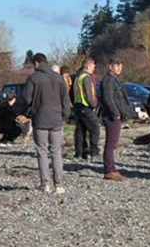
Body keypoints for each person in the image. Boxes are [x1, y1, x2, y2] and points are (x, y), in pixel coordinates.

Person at [24, 52, 70, 194]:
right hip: (57, 119)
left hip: (40, 118)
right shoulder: (60, 78)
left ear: (36, 63)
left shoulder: (33, 78)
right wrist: (65, 115)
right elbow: (65, 99)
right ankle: (59, 185)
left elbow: (26, 98)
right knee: (56, 151)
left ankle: (45, 184)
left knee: (42, 151)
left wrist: (33, 108)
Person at [100, 59, 136, 181]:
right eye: (117, 65)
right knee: (110, 144)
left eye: (121, 65)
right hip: (111, 117)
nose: (120, 68)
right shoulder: (109, 80)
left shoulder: (113, 79)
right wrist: (115, 114)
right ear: (110, 66)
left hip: (114, 115)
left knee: (112, 144)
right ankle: (109, 170)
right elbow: (108, 98)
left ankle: (112, 169)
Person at [72, 57, 100, 160]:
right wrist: (93, 105)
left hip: (78, 106)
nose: (94, 68)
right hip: (85, 106)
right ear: (87, 66)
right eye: (93, 66)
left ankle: (79, 152)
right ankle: (93, 151)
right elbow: (89, 95)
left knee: (80, 130)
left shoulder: (77, 77)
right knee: (95, 128)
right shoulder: (86, 78)